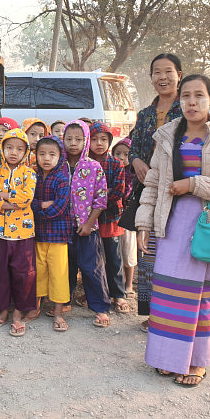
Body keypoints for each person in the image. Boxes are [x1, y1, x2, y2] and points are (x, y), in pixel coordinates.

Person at [135, 74, 210, 387]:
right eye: (186, 96)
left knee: (201, 297)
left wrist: (194, 184)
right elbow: (154, 182)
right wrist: (145, 223)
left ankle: (197, 362)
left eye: (199, 95)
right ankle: (168, 359)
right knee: (170, 294)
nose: (192, 102)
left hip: (208, 226)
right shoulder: (167, 135)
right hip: (170, 225)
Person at [130, 53, 183, 330]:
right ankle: (153, 314)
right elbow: (134, 146)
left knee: (173, 250)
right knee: (147, 250)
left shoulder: (186, 110)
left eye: (168, 72)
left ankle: (172, 312)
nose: (162, 77)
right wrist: (136, 161)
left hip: (177, 191)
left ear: (179, 75)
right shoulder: (145, 114)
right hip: (148, 189)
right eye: (157, 72)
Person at [0, 128, 37, 337]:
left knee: (23, 274)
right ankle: (2, 311)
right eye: (9, 147)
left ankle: (18, 312)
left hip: (23, 233)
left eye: (19, 148)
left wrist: (3, 195)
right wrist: (7, 203)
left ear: (26, 151)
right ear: (2, 148)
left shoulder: (29, 173)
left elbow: (27, 198)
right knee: (0, 273)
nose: (13, 152)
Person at [63, 120, 111, 328]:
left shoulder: (93, 166)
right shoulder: (58, 166)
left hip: (87, 228)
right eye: (69, 139)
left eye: (78, 139)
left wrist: (90, 223)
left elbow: (101, 199)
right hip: (62, 229)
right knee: (65, 267)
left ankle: (100, 307)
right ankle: (64, 301)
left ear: (86, 141)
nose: (73, 143)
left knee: (92, 268)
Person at [31, 136, 72, 332]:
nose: (46, 158)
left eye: (52, 154)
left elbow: (60, 208)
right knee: (38, 271)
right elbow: (27, 203)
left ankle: (58, 313)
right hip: (38, 234)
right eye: (42, 154)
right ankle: (35, 308)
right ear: (36, 155)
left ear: (60, 156)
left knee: (58, 274)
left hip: (58, 235)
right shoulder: (33, 176)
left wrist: (38, 207)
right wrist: (41, 205)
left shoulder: (63, 178)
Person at [89, 122, 128, 314]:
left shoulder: (116, 164)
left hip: (111, 218)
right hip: (90, 220)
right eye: (94, 139)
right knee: (94, 260)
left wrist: (93, 196)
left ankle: (118, 295)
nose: (99, 143)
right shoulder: (84, 163)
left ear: (110, 141)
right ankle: (98, 294)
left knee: (114, 258)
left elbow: (118, 192)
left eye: (104, 139)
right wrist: (102, 193)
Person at [112, 137, 137, 297]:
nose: (121, 157)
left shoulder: (134, 174)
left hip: (128, 218)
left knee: (128, 252)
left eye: (126, 154)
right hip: (114, 218)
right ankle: (116, 284)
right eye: (118, 153)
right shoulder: (111, 170)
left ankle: (129, 284)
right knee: (115, 253)